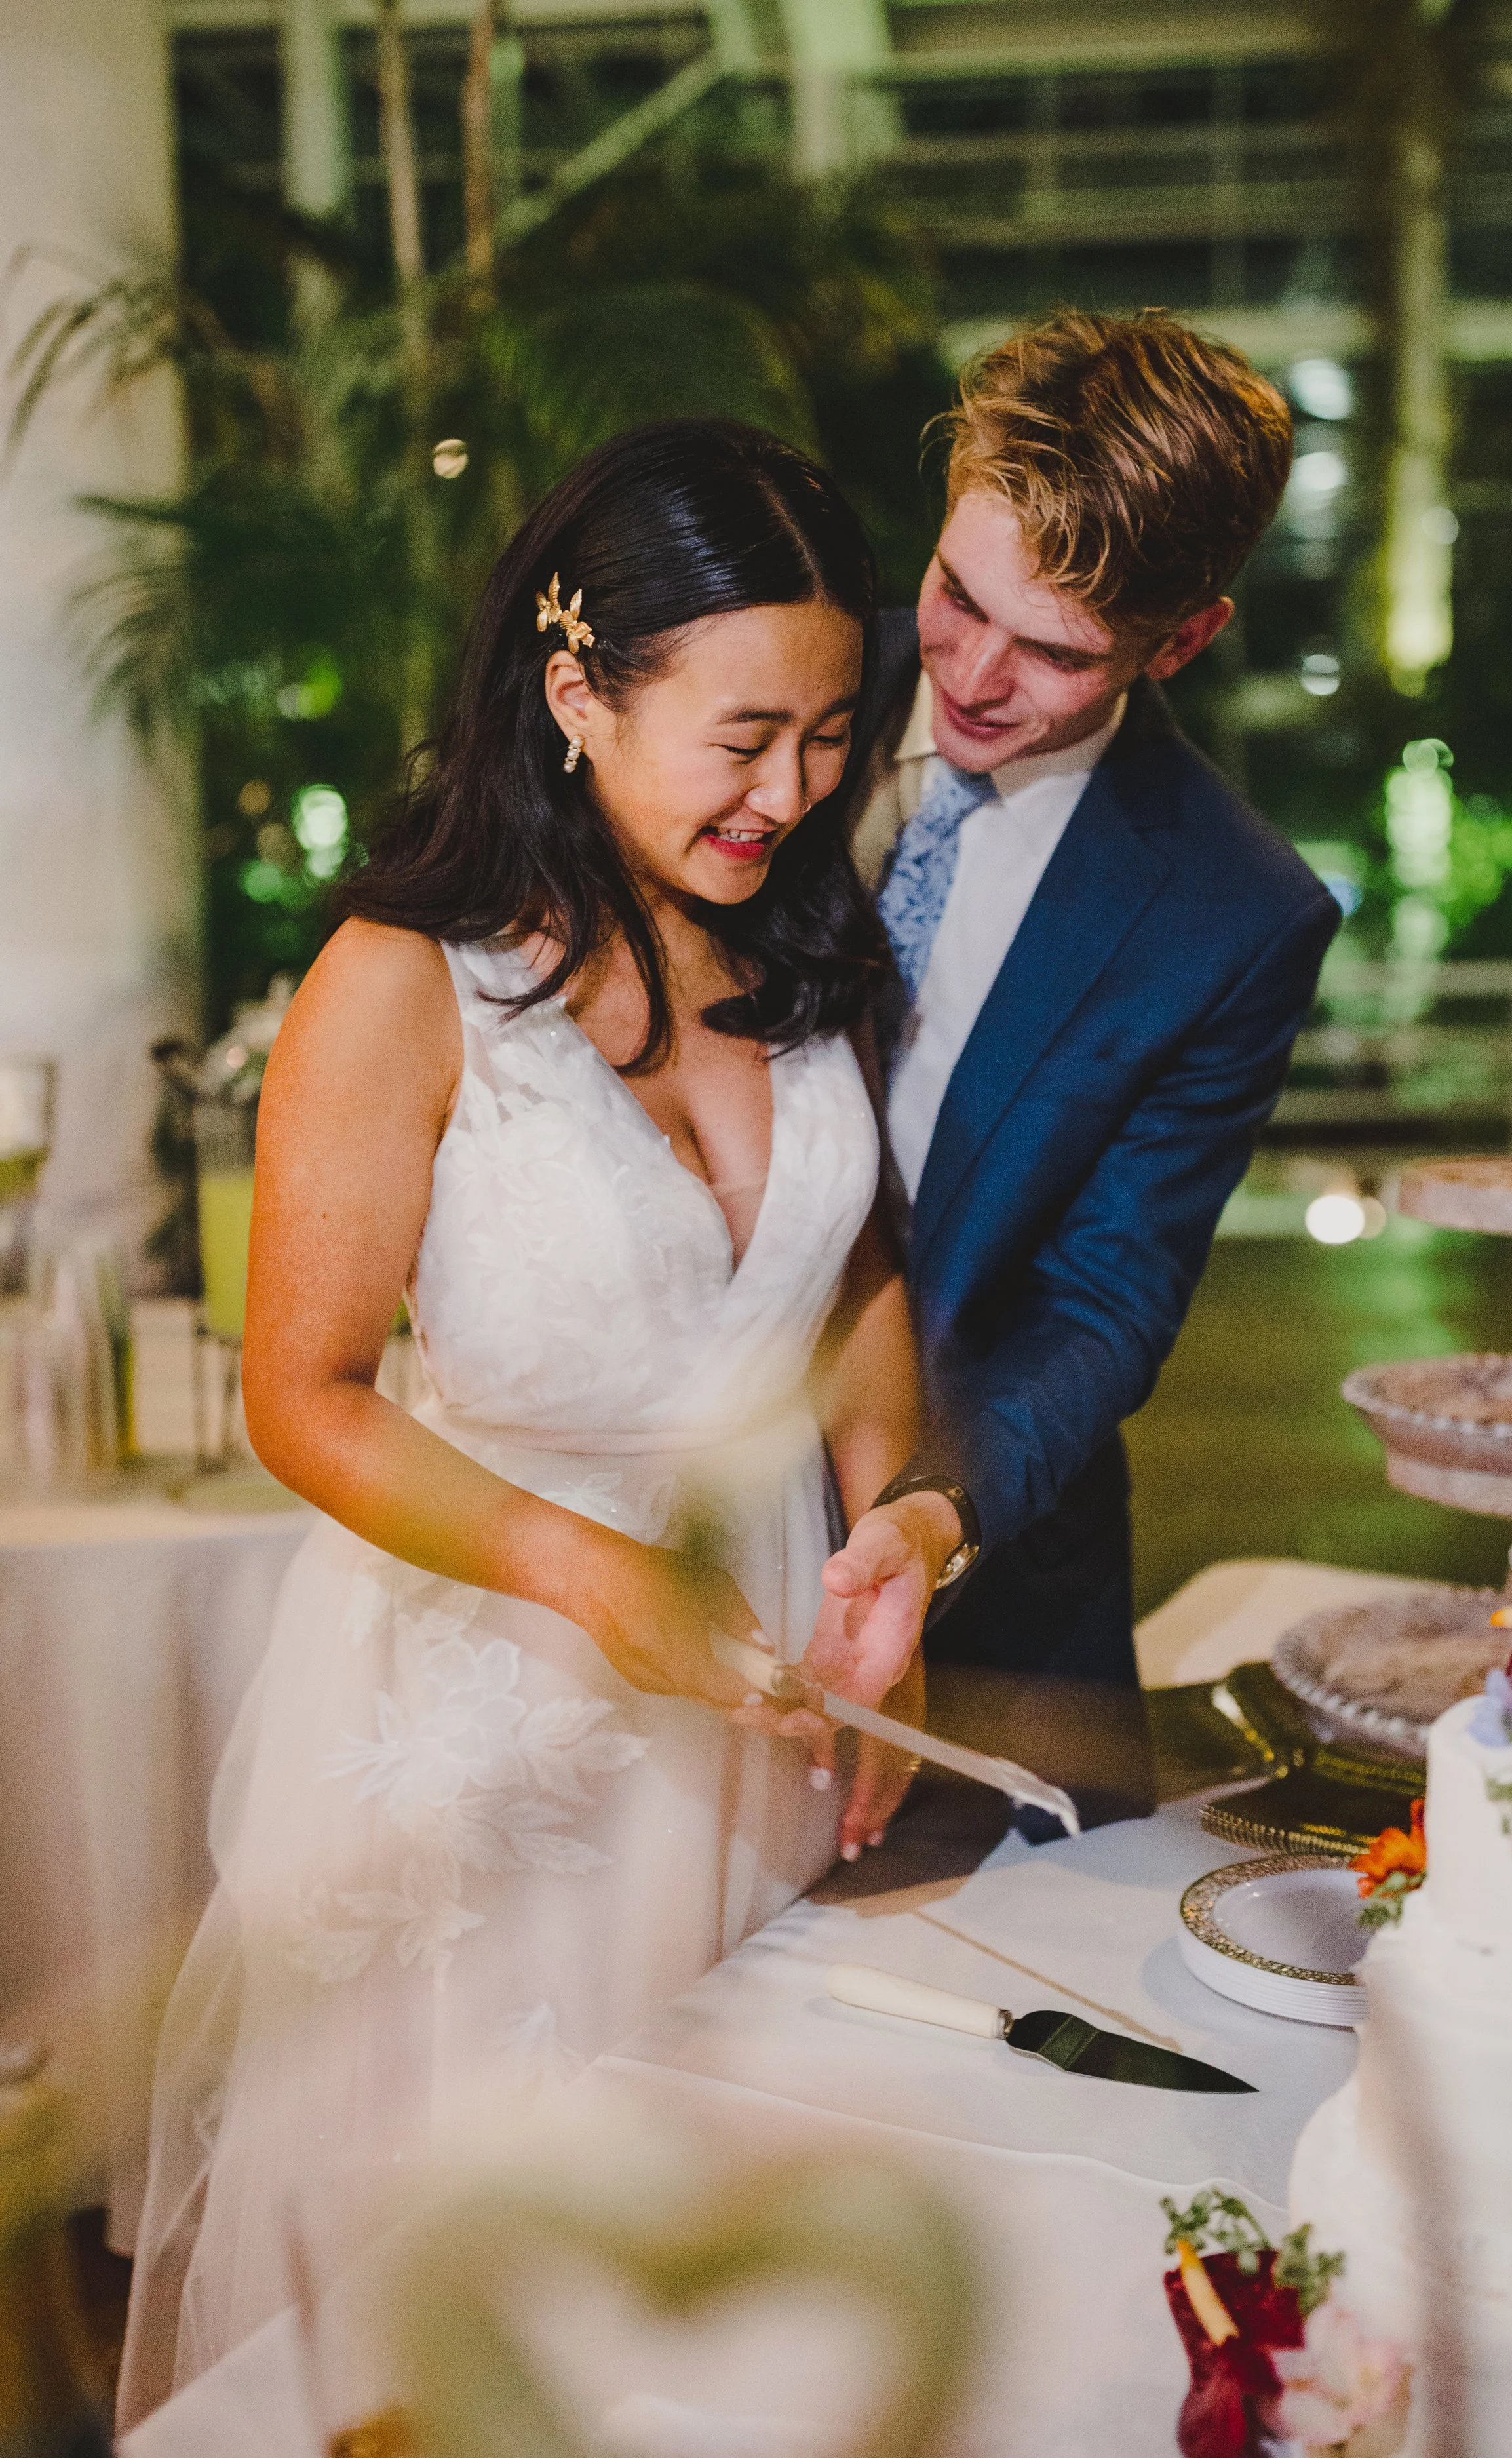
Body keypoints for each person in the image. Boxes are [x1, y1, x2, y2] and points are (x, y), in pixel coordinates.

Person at [117, 420, 956, 2423]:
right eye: (743, 736)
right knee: (470, 2292)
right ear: (577, 692)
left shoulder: (806, 958)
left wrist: (895, 1529)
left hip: (747, 1693)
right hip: (492, 1712)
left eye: (834, 736)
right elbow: (298, 1397)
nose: (793, 792)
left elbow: (846, 1292)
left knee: (716, 2277)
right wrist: (593, 1578)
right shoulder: (404, 981)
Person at [809, 311, 1342, 1832]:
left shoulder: (1234, 913)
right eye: (955, 597)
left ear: (1182, 640)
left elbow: (1108, 1296)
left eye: (1053, 652)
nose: (973, 676)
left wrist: (927, 1521)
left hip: (988, 1597)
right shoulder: (785, 684)